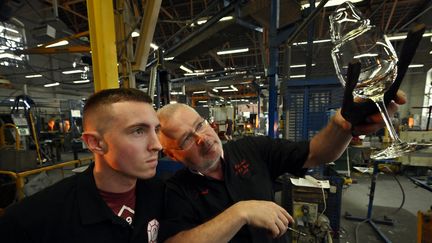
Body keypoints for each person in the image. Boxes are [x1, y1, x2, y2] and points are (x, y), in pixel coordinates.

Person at [156, 91, 406, 243]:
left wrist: (343, 126)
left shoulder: (251, 149)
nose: (202, 138)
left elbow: (315, 153)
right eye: (187, 139)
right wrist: (239, 213)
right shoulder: (176, 189)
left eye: (200, 125)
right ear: (171, 154)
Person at [0, 88, 164, 243]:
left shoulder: (162, 194)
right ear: (95, 143)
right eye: (138, 131)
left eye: (156, 130)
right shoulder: (32, 221)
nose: (157, 145)